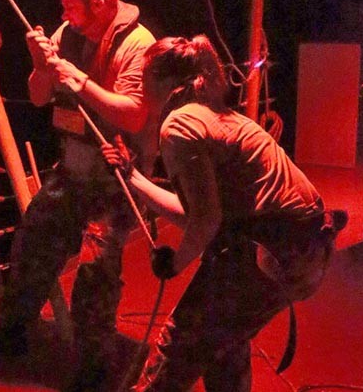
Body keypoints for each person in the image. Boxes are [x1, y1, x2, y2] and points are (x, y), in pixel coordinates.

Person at [100, 35, 346, 391]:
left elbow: (205, 222)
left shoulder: (179, 126)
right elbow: (200, 213)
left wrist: (175, 262)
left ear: (165, 82)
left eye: (143, 79)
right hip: (305, 252)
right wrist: (132, 175)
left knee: (181, 344)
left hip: (271, 254)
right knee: (224, 340)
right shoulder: (216, 116)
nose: (140, 88)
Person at [0, 0, 158, 391]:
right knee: (32, 240)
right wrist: (41, 64)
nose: (65, 16)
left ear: (101, 4)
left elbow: (134, 112)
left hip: (114, 180)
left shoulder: (138, 45)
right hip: (71, 171)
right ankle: (12, 327)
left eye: (73, 8)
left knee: (95, 267)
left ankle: (93, 361)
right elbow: (37, 96)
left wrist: (82, 82)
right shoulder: (66, 35)